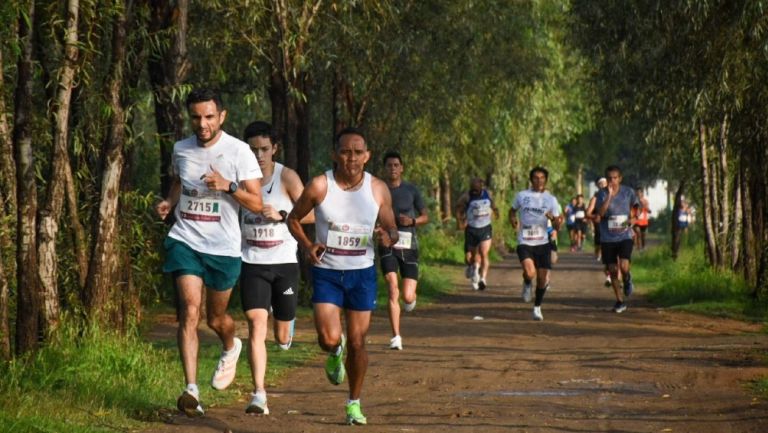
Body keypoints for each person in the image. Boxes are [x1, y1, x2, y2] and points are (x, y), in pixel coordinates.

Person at [155, 88, 263, 417]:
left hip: (224, 248)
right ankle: (191, 390)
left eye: (208, 117)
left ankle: (231, 345)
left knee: (217, 319)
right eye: (196, 117)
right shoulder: (181, 149)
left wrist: (228, 186)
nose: (202, 124)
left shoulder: (239, 151)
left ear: (222, 116)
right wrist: (169, 203)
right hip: (186, 239)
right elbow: (178, 182)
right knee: (189, 312)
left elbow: (257, 203)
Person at [286, 127, 398, 426]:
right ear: (335, 155)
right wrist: (308, 245)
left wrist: (390, 235)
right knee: (328, 337)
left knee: (359, 342)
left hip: (362, 274)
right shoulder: (320, 185)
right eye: (346, 151)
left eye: (358, 152)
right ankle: (335, 350)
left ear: (367, 156)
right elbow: (293, 219)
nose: (352, 158)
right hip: (327, 273)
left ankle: (353, 403)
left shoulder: (377, 188)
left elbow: (390, 222)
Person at [239, 121, 314, 415]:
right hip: (252, 263)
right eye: (253, 149)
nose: (258, 155)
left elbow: (312, 215)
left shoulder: (287, 177)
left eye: (264, 149)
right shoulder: (238, 178)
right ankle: (259, 394)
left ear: (275, 149)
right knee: (256, 325)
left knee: (281, 338)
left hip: (283, 263)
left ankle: (287, 321)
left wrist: (283, 214)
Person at [379, 151, 429, 351]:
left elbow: (426, 216)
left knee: (407, 296)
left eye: (396, 165)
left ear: (401, 168)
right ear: (385, 168)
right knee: (392, 288)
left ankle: (411, 299)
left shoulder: (411, 190)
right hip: (387, 244)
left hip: (409, 245)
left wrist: (413, 221)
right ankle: (396, 336)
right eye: (389, 165)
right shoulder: (377, 189)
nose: (392, 168)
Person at [508, 167, 562, 321]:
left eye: (542, 178)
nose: (539, 181)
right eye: (536, 178)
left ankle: (537, 307)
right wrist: (513, 220)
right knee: (530, 273)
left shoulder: (551, 199)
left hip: (543, 242)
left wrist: (554, 218)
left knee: (542, 279)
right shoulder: (522, 195)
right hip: (525, 241)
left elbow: (558, 226)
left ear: (546, 180)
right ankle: (526, 282)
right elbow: (512, 211)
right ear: (531, 180)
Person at [594, 165, 639, 313]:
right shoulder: (601, 194)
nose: (612, 181)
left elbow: (636, 208)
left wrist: (634, 218)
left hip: (624, 235)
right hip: (607, 238)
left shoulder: (628, 192)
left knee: (624, 267)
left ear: (620, 178)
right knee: (613, 270)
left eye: (615, 178)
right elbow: (600, 213)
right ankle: (620, 301)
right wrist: (609, 196)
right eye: (609, 178)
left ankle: (627, 279)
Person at [455, 178, 499, 290]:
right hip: (471, 229)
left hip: (485, 228)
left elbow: (493, 205)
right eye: (472, 188)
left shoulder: (487, 194)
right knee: (471, 257)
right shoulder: (466, 196)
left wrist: (496, 212)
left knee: (484, 253)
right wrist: (460, 221)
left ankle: (483, 279)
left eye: (476, 188)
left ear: (481, 186)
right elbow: (459, 209)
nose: (474, 190)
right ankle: (473, 267)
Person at [586, 177, 612, 287]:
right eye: (600, 184)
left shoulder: (617, 195)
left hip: (618, 231)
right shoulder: (595, 198)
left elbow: (625, 213)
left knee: (621, 259)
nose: (602, 185)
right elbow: (588, 213)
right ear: (597, 186)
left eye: (604, 183)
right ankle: (610, 277)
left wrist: (627, 226)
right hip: (603, 229)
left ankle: (624, 278)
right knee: (607, 254)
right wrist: (596, 216)